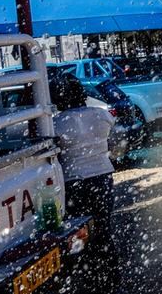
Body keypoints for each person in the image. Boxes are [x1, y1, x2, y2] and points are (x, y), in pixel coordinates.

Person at [48, 72, 118, 289]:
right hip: (102, 176)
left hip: (74, 183)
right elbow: (111, 140)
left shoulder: (56, 123)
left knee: (78, 232)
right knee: (103, 229)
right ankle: (109, 277)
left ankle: (85, 276)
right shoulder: (101, 115)